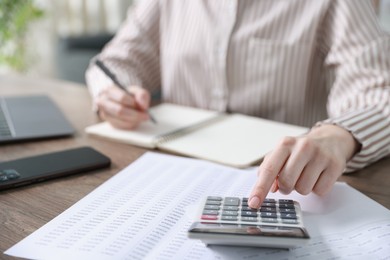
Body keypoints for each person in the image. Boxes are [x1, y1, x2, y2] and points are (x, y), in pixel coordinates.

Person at [86, 0, 390, 209]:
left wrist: (339, 135)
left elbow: (379, 90)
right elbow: (113, 63)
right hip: (167, 181)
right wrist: (112, 93)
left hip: (286, 190)